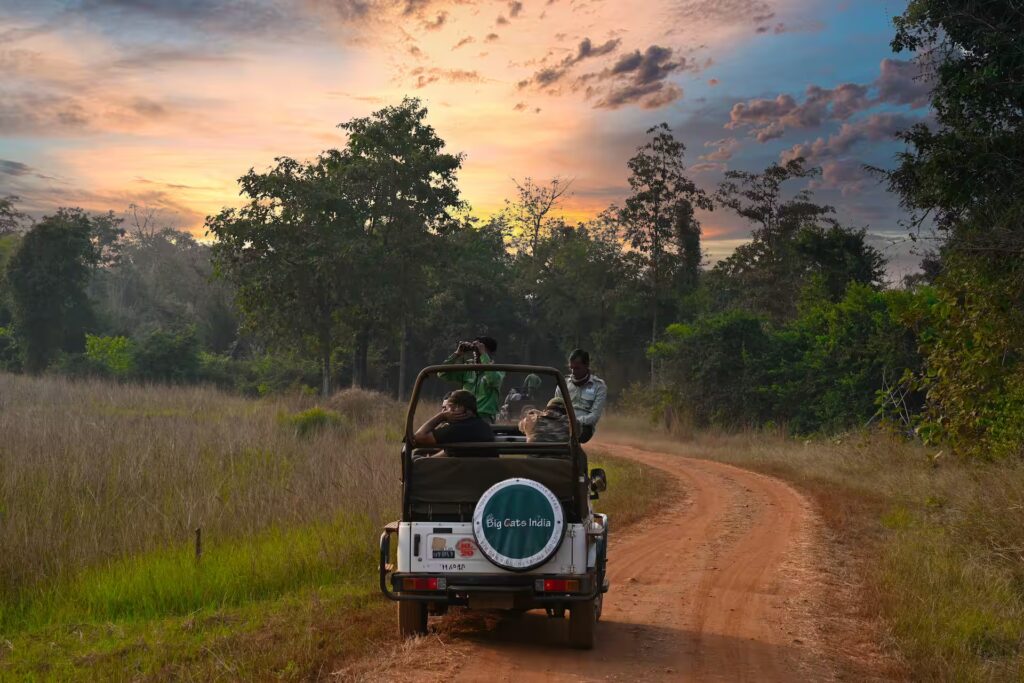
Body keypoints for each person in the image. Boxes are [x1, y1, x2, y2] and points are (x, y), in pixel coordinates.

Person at [438, 336, 505, 423]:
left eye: (479, 350)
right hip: (464, 415)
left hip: (484, 417)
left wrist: (483, 355)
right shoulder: (468, 368)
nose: (475, 353)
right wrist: (457, 353)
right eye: (474, 350)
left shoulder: (498, 370)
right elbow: (442, 374)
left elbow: (493, 381)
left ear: (490, 352)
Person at [413, 389, 495, 456]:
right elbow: (448, 453)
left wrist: (442, 416)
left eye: (448, 407)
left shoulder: (455, 430)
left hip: (461, 474)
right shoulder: (485, 427)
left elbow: (418, 437)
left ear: (457, 408)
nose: (446, 411)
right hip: (487, 474)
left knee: (417, 456)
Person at [554, 348, 607, 443]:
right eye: (571, 368)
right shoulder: (563, 383)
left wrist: (574, 422)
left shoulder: (599, 386)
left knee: (572, 433)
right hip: (563, 423)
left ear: (586, 365)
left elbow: (594, 416)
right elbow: (555, 407)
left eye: (577, 368)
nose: (573, 372)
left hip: (584, 427)